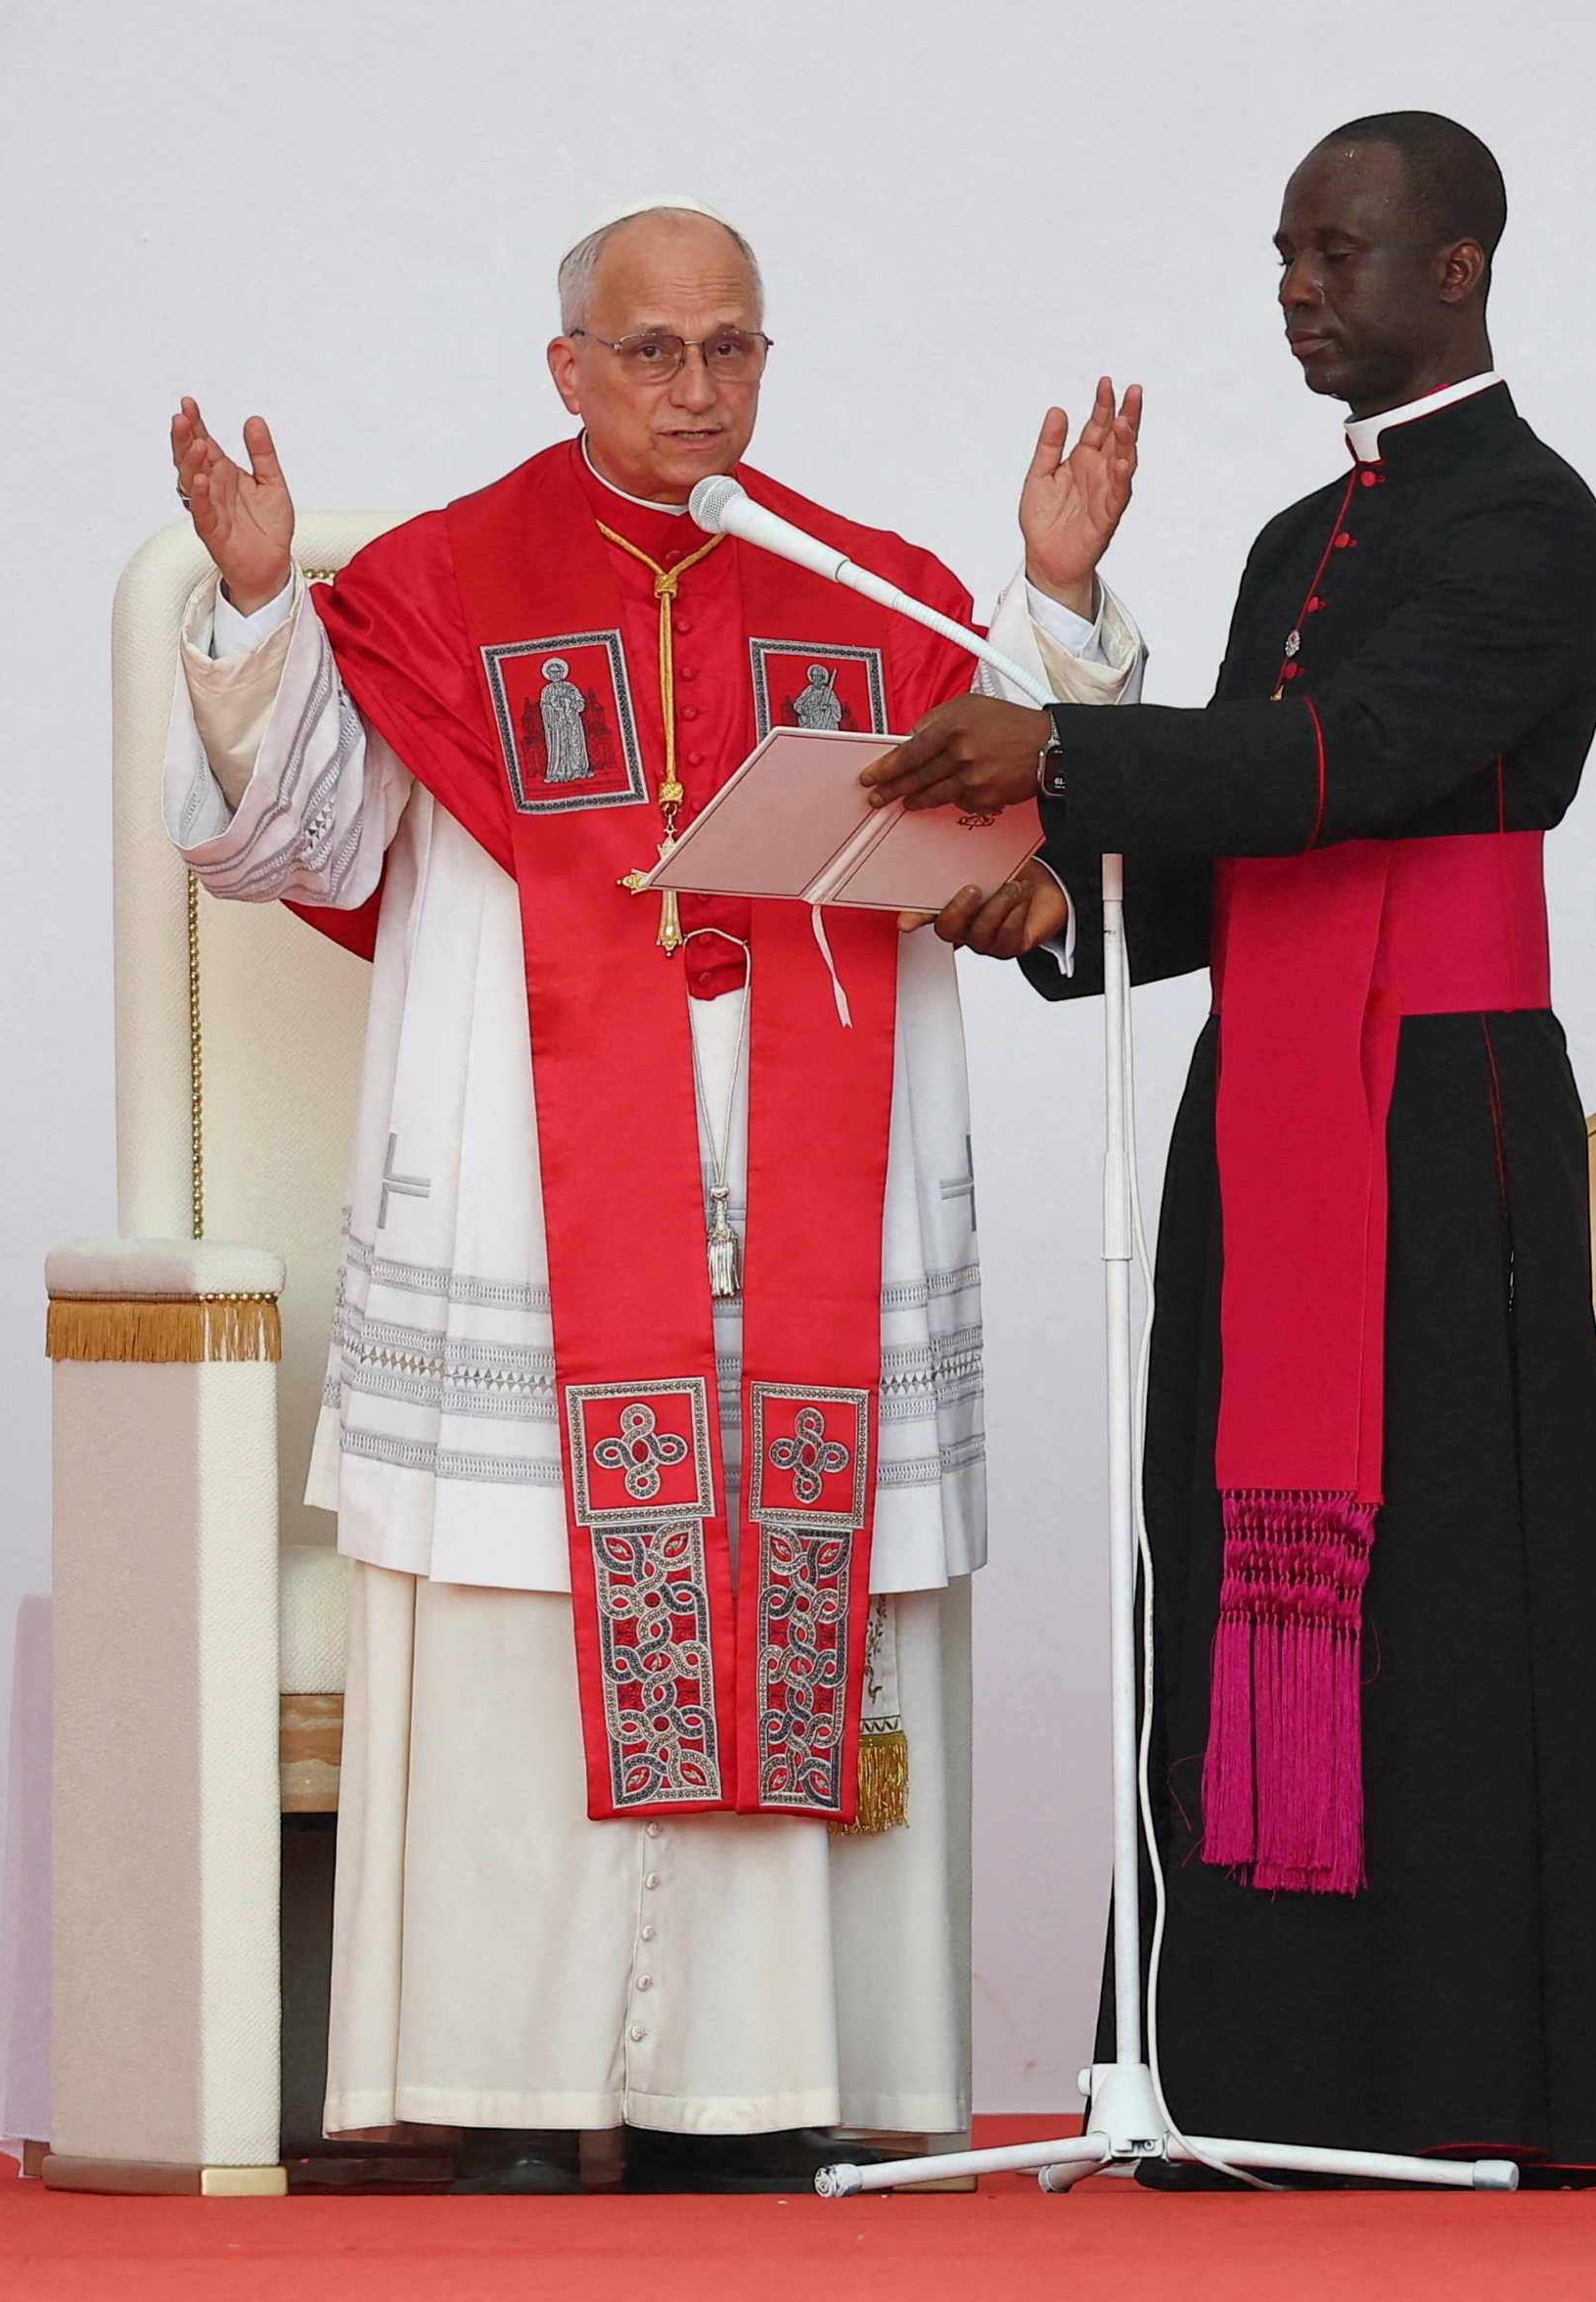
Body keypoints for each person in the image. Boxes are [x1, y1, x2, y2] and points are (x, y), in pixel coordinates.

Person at [164, 202, 1143, 2193]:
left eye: (730, 351)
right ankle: (505, 2093)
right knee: (528, 1619)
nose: (695, 388)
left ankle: (763, 2084)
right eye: (651, 352)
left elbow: (1023, 793)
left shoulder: (854, 582)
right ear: (567, 368)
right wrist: (265, 619)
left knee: (791, 1587)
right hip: (528, 1176)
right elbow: (301, 836)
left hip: (803, 1174)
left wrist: (1052, 600)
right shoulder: (437, 583)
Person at [871, 114, 1596, 2183]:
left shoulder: (1527, 520)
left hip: (1445, 1109)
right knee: (1231, 1558)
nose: (1295, 290)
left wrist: (1062, 754)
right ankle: (1243, 2077)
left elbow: (1370, 762)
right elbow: (1237, 844)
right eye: (1282, 254)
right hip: (1271, 1092)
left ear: (1455, 269)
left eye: (1335, 253)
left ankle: (1464, 2085)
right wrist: (1056, 902)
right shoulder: (1292, 542)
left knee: (1443, 1583)